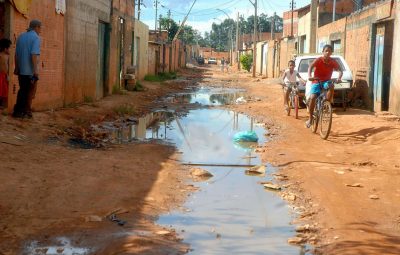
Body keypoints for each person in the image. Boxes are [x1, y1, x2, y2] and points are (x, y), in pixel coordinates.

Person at [306, 44, 342, 128]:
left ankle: (327, 103)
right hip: (316, 81)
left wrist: (339, 78)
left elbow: (340, 70)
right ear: (323, 52)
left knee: (331, 85)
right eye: (326, 51)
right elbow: (311, 67)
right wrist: (310, 76)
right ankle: (311, 118)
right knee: (313, 97)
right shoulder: (319, 60)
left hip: (326, 81)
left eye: (329, 51)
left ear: (331, 53)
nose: (328, 52)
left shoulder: (333, 62)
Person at [12, 19, 42, 118]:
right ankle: (21, 111)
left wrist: (16, 68)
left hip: (21, 70)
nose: (40, 30)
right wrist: (35, 71)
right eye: (40, 28)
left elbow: (16, 55)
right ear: (36, 27)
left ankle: (19, 111)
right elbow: (34, 55)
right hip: (29, 71)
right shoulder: (36, 38)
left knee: (22, 90)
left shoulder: (21, 36)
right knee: (28, 92)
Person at [0, 38, 11, 108]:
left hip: (4, 76)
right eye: (9, 48)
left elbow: (7, 66)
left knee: (3, 91)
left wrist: (7, 75)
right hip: (0, 75)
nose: (10, 50)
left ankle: (1, 104)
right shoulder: (0, 56)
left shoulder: (7, 56)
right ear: (5, 49)